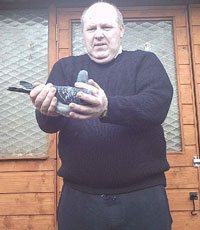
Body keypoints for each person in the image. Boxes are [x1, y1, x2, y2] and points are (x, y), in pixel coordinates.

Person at [30, 2, 173, 230]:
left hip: (143, 198)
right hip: (79, 199)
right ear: (83, 33)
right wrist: (45, 108)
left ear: (122, 30)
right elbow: (48, 125)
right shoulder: (65, 67)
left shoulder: (145, 62)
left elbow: (156, 106)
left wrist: (108, 108)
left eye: (106, 27)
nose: (98, 35)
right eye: (91, 29)